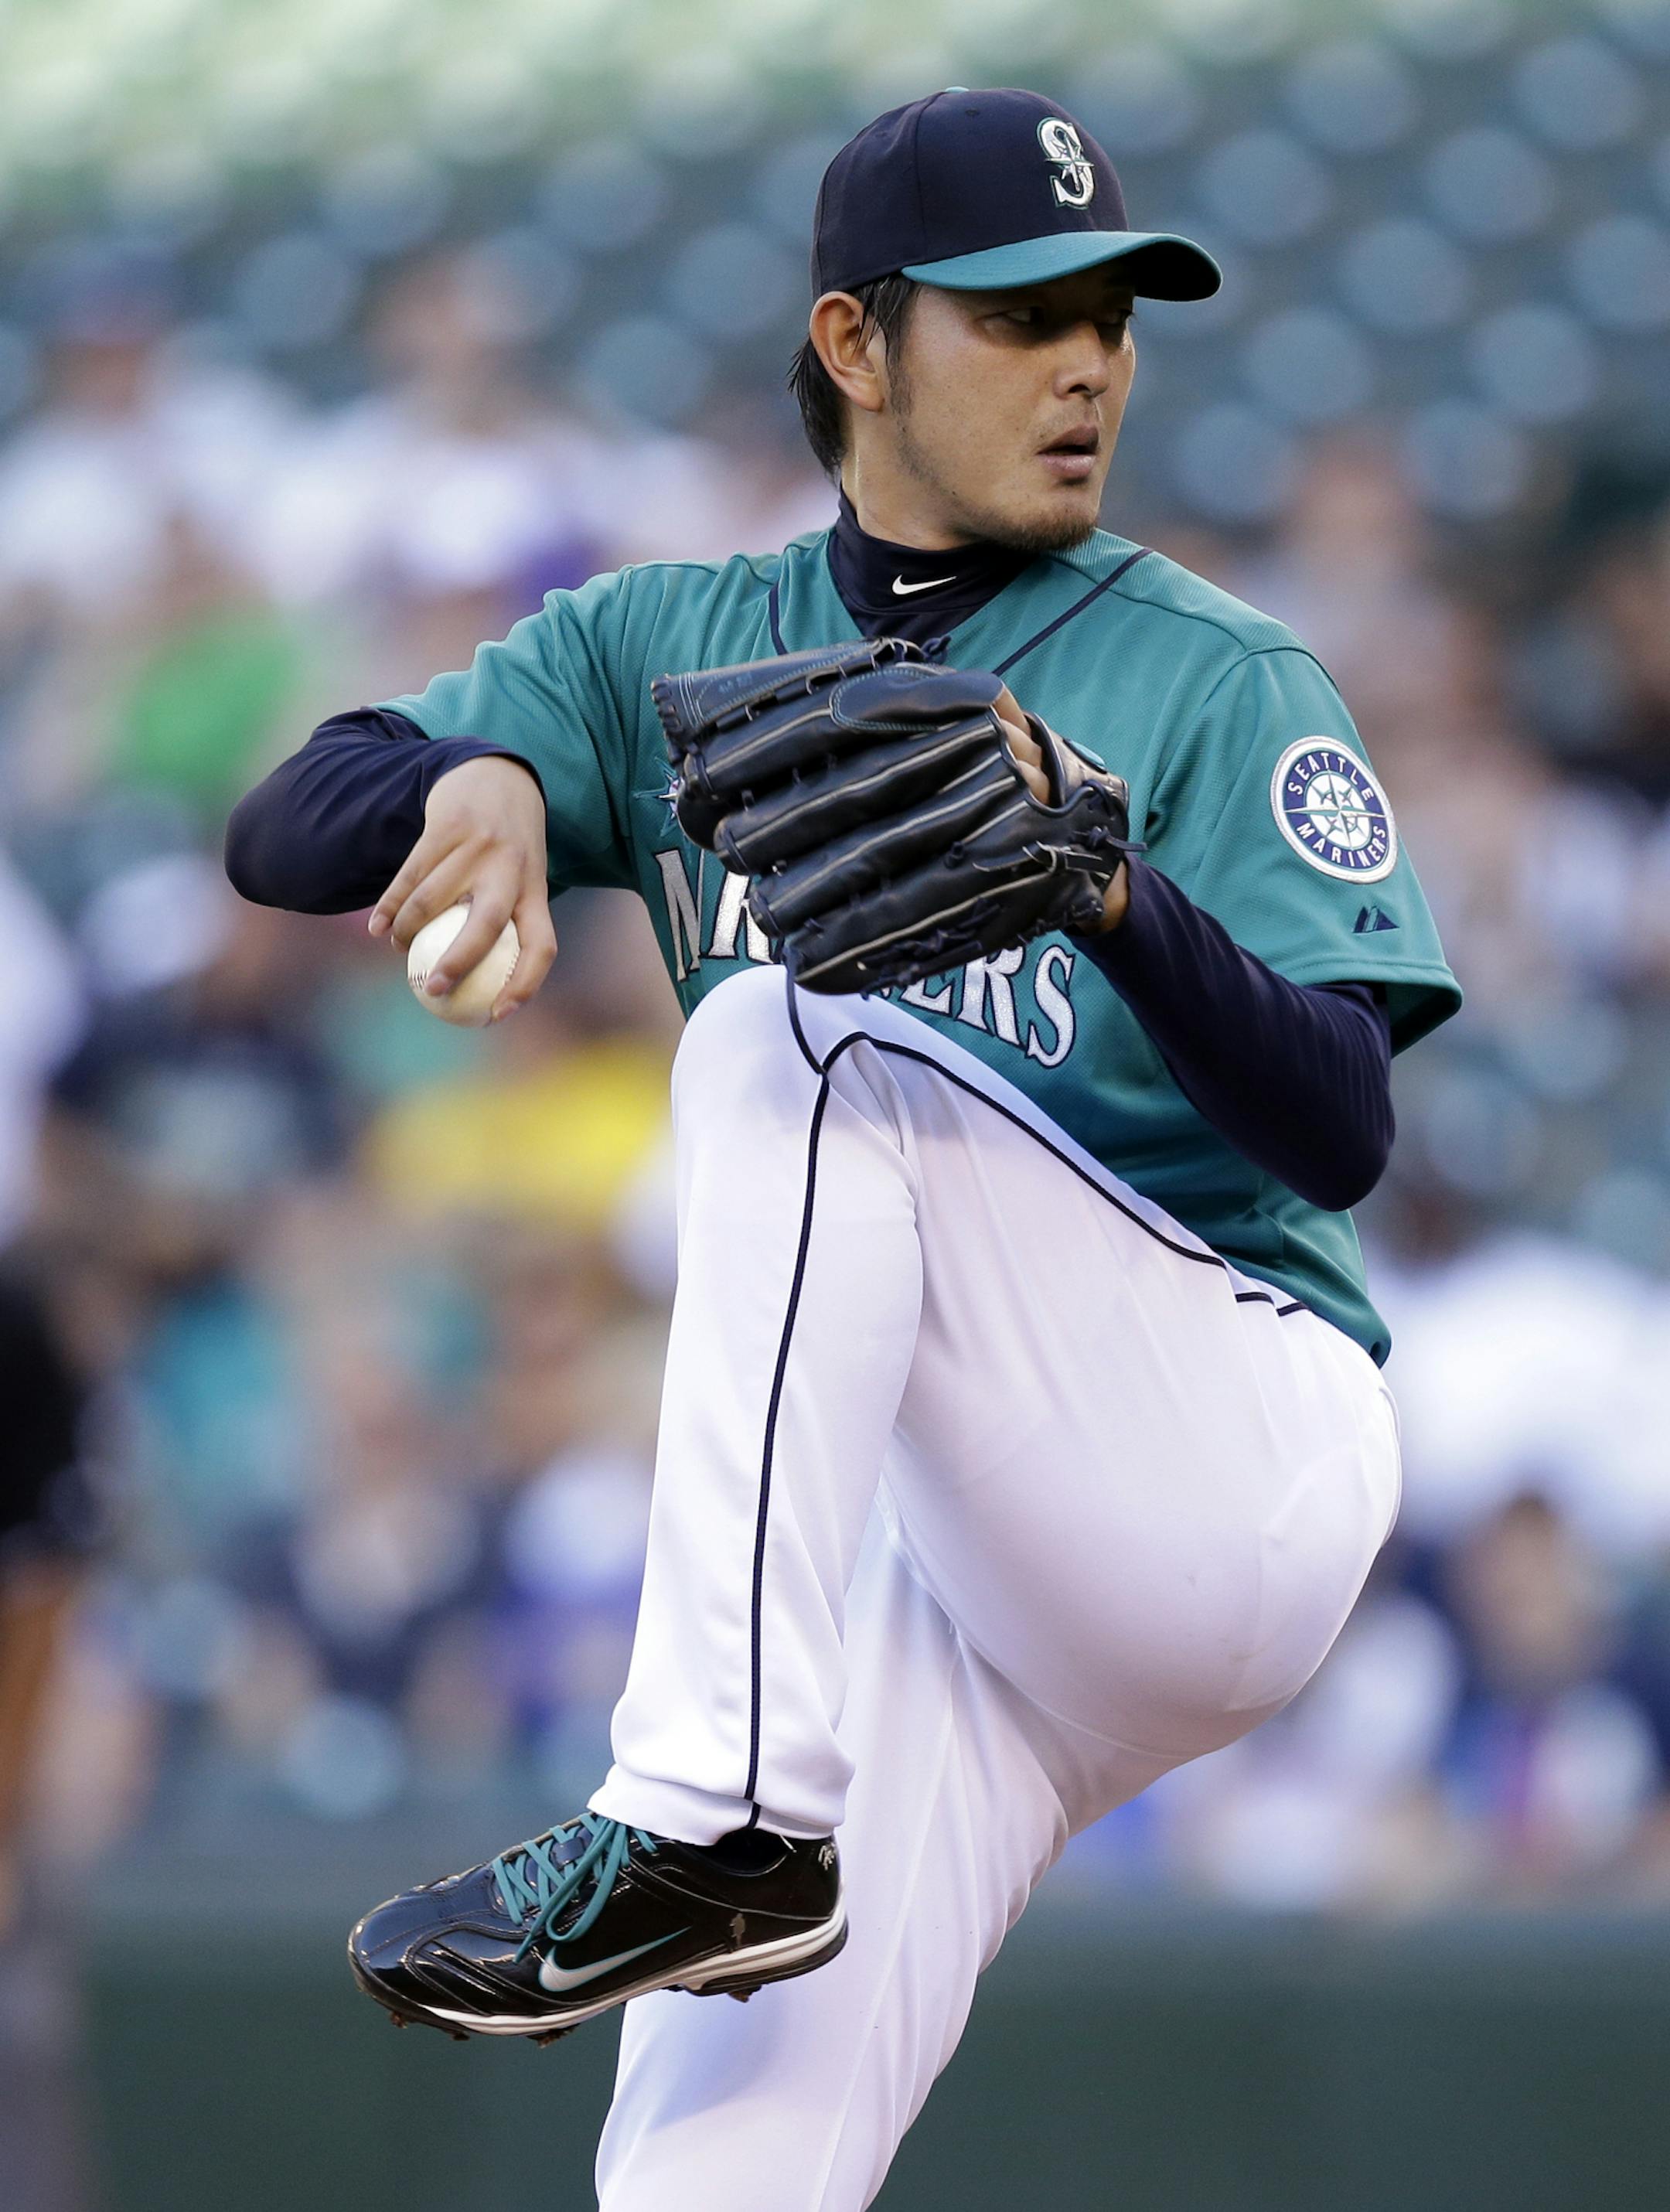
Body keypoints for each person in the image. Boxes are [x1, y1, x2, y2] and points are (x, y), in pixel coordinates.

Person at [226, 88, 1460, 2212]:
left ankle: (704, 1817)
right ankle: (721, 1832)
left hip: (1219, 1432)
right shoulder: (661, 641)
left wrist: (1110, 893)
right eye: (1020, 315)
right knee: (704, 2164)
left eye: (1114, 315)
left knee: (793, 1035)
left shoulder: (1217, 673)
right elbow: (285, 824)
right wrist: (499, 771)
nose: (1091, 363)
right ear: (855, 342)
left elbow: (1341, 1130)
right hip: (958, 1567)